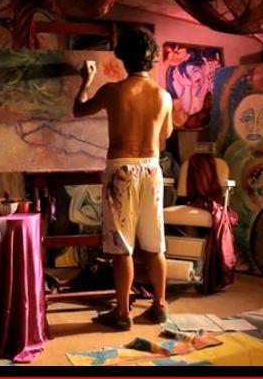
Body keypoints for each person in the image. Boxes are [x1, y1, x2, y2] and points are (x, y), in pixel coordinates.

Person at [72, 28, 173, 331]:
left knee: (122, 248)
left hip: (122, 171)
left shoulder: (113, 91)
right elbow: (167, 133)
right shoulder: (164, 96)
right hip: (152, 170)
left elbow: (79, 109)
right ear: (152, 59)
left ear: (123, 57)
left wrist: (86, 81)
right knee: (155, 246)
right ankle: (159, 306)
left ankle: (122, 313)